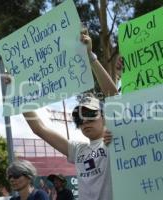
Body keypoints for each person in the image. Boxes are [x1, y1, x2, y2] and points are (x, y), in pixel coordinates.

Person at [22, 31, 119, 200]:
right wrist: (16, 95)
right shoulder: (78, 150)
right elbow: (39, 129)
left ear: (104, 117)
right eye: (79, 119)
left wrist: (90, 56)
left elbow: (114, 96)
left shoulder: (116, 140)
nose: (85, 121)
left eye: (91, 115)